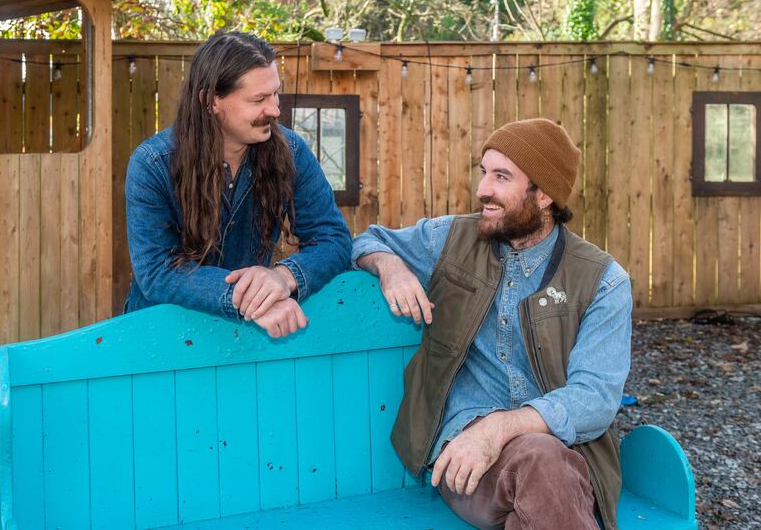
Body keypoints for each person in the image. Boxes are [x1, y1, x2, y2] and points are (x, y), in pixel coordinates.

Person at [352, 118, 631, 530]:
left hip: (566, 458)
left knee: (541, 468)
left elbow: (595, 397)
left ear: (545, 195)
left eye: (501, 177)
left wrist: (503, 427)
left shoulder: (603, 281)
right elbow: (365, 240)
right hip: (467, 457)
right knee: (540, 466)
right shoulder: (450, 240)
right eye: (484, 173)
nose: (483, 189)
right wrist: (390, 266)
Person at [124, 31, 351, 338]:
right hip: (159, 338)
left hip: (243, 339)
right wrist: (248, 297)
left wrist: (282, 278)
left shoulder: (292, 153)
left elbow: (333, 238)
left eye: (275, 94)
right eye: (259, 99)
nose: (274, 110)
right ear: (210, 101)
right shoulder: (153, 163)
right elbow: (156, 270)